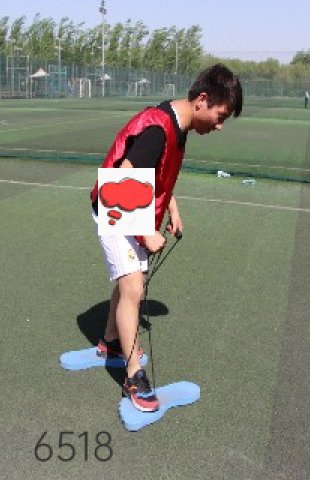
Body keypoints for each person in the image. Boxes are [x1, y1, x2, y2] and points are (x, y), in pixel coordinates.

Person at [90, 64, 243, 412]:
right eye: (220, 116)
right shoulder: (159, 130)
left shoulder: (179, 124)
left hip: (131, 205)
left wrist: (172, 209)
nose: (219, 125)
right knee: (133, 287)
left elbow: (158, 173)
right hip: (113, 205)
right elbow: (125, 175)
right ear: (202, 100)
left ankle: (110, 342)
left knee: (130, 282)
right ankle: (133, 376)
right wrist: (146, 231)